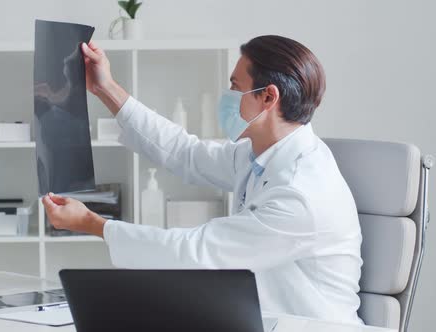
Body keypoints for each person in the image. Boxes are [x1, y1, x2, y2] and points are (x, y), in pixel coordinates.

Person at [42, 35, 363, 324]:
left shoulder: (302, 193)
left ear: (268, 97)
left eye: (236, 86)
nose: (229, 95)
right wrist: (104, 87)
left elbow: (197, 252)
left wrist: (95, 224)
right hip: (269, 319)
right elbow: (186, 153)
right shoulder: (261, 154)